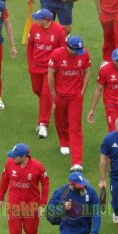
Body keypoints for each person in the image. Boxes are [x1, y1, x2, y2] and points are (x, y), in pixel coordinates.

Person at [0, 143, 49, 234]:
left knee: (31, 231)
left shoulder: (38, 167)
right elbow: (4, 179)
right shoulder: (9, 164)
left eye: (15, 156)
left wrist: (42, 204)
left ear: (23, 156)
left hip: (31, 206)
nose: (12, 158)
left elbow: (45, 183)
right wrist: (0, 197)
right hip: (13, 205)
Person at [48, 35, 90, 172]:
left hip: (75, 97)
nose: (78, 53)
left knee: (75, 126)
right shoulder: (57, 54)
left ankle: (77, 161)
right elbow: (50, 75)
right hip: (60, 95)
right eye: (75, 51)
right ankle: (64, 141)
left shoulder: (83, 54)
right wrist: (54, 95)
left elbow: (87, 71)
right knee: (60, 120)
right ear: (68, 47)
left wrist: (82, 91)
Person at [27, 8, 66, 138]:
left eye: (37, 18)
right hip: (35, 67)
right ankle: (48, 102)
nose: (35, 20)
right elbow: (30, 46)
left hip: (50, 69)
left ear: (45, 20)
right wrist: (30, 64)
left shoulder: (59, 31)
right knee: (36, 89)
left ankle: (43, 124)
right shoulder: (34, 28)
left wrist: (58, 69)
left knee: (45, 93)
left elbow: (63, 51)